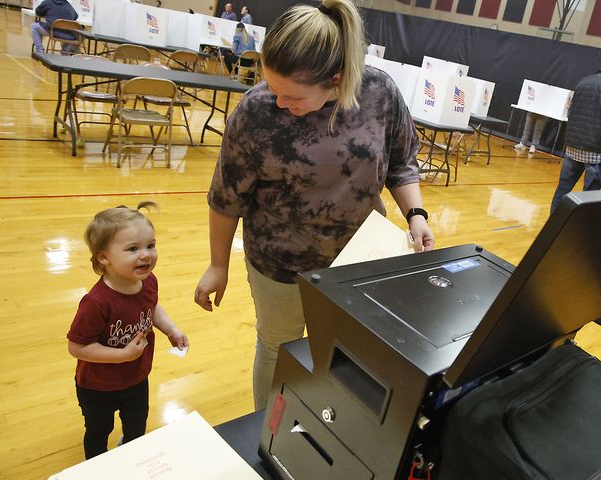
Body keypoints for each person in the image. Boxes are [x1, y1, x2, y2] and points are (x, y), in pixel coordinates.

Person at [194, 0, 435, 411]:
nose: (278, 101)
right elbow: (226, 197)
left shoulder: (379, 93)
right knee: (278, 347)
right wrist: (218, 265)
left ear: (336, 80)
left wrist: (415, 214)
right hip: (278, 265)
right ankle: (266, 435)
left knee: (344, 355)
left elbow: (401, 162)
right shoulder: (256, 110)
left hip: (357, 264)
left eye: (292, 96)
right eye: (272, 88)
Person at [67, 202, 188, 459]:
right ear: (104, 257)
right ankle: (98, 467)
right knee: (98, 432)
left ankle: (131, 460)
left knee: (136, 427)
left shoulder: (147, 281)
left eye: (150, 245)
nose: (146, 255)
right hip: (97, 387)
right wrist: (121, 355)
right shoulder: (96, 302)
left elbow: (151, 307)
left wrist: (171, 329)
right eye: (133, 249)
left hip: (136, 377)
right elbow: (77, 347)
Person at [550, 50, 601, 213]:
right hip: (597, 152)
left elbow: (570, 113)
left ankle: (553, 222)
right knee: (589, 197)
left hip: (572, 147)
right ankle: (578, 230)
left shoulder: (583, 82)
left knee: (563, 189)